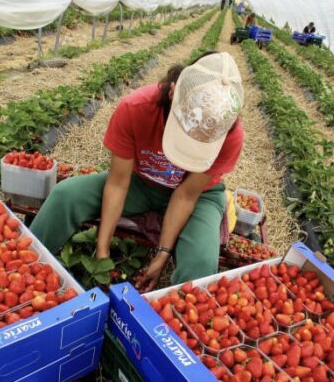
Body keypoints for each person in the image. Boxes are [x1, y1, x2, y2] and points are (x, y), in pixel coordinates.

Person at [29, 52, 245, 292]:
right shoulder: (136, 108)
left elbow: (186, 195)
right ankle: (27, 267)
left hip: (198, 196)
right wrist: (102, 250)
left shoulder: (231, 135)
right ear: (173, 92)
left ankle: (171, 323)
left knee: (201, 262)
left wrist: (163, 254)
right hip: (141, 182)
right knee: (65, 195)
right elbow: (119, 182)